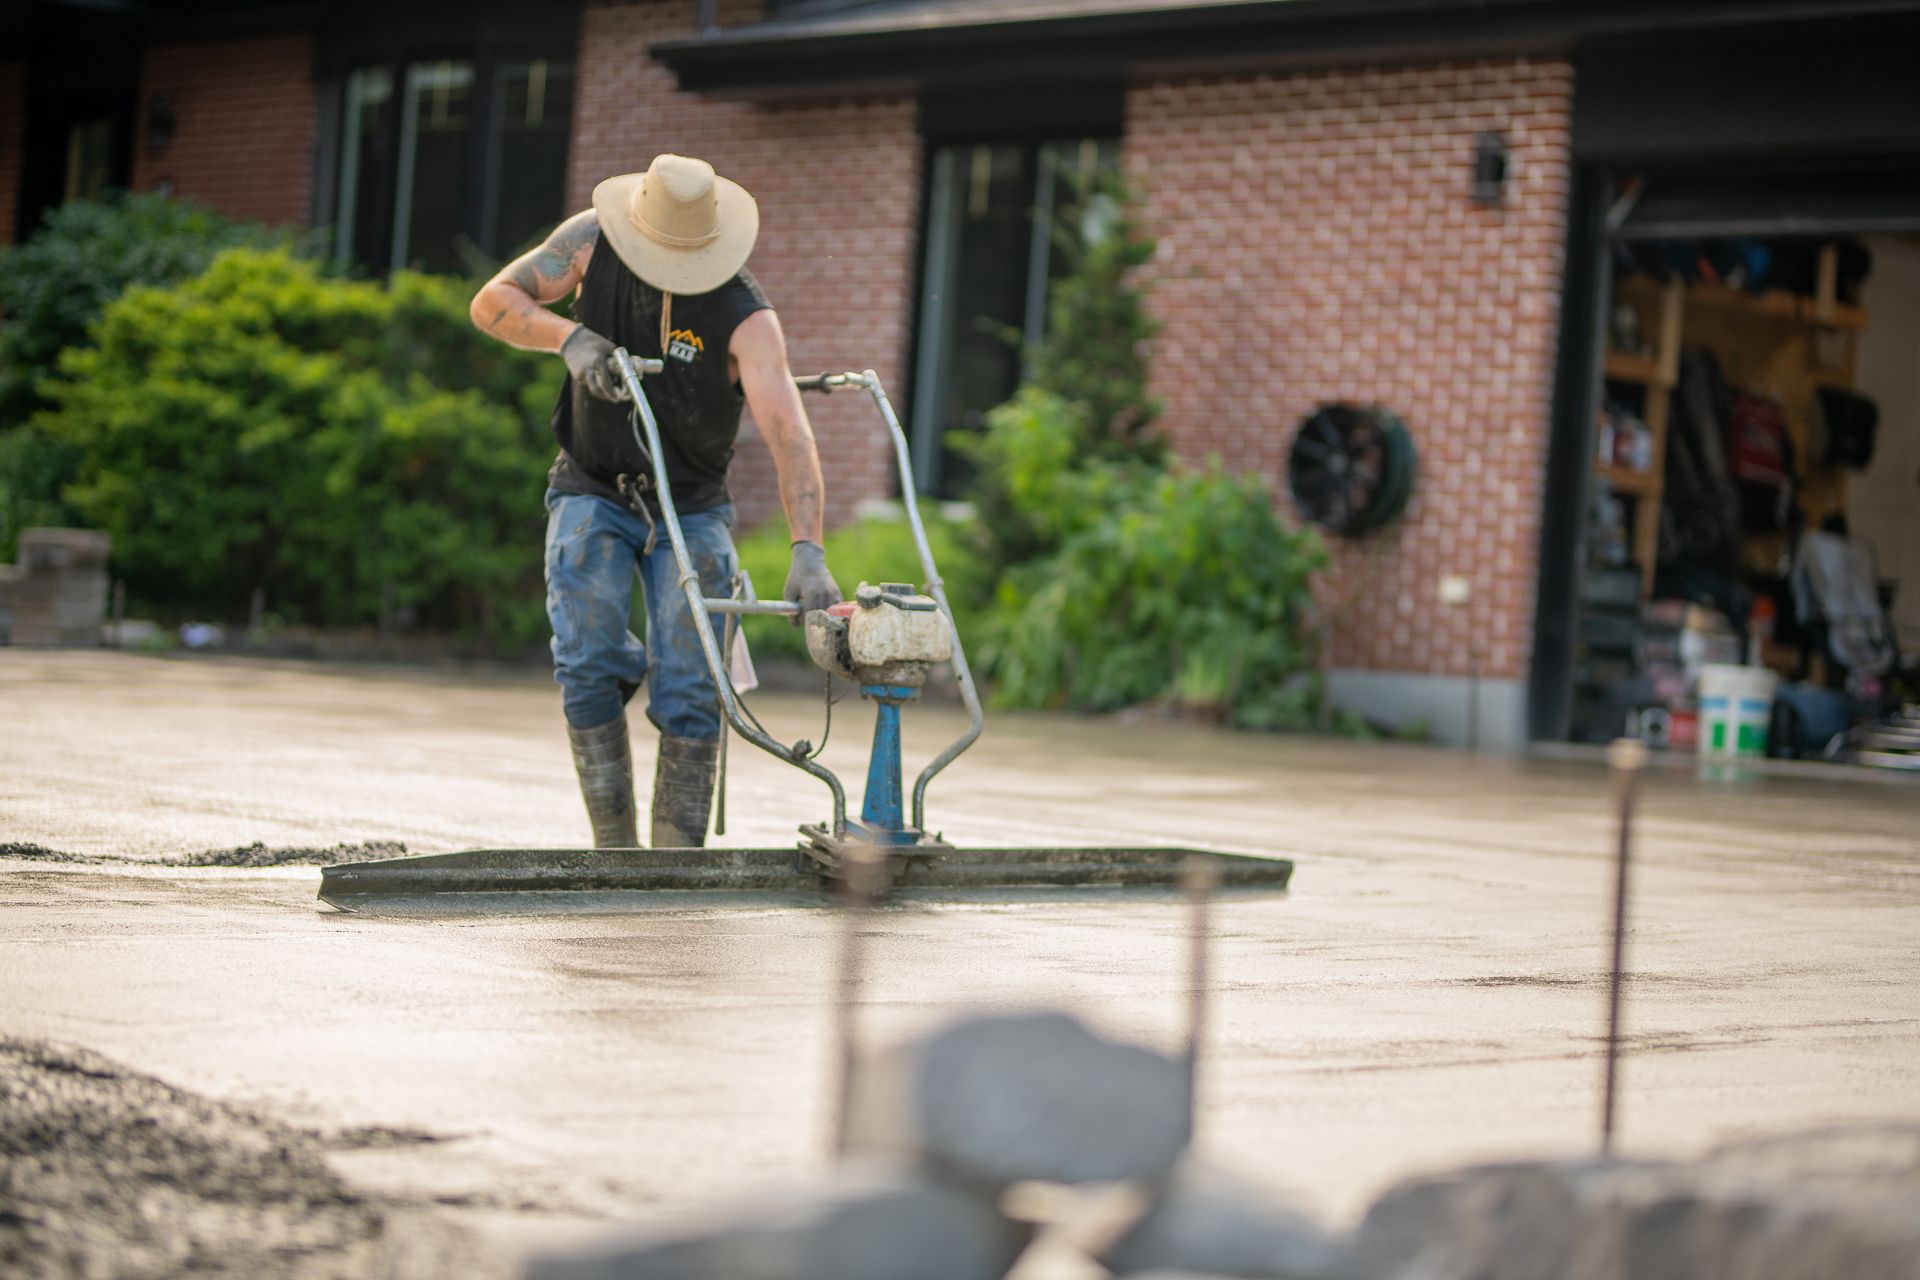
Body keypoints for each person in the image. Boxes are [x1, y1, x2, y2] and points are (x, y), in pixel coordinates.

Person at [469, 153, 842, 848]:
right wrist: (570, 338)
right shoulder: (587, 243)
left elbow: (790, 434)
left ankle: (676, 862)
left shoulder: (746, 316)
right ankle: (615, 851)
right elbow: (490, 304)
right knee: (585, 663)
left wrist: (808, 550)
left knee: (693, 687)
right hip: (592, 484)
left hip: (693, 507)